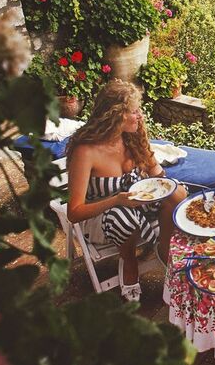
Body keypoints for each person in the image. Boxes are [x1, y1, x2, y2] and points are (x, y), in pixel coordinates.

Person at [66, 79, 187, 302]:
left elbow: (156, 173)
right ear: (115, 114)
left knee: (178, 194)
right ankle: (129, 260)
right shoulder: (86, 151)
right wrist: (116, 200)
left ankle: (164, 249)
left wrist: (166, 186)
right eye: (134, 111)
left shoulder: (132, 136)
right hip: (99, 215)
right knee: (124, 217)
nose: (140, 115)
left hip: (134, 203)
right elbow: (74, 212)